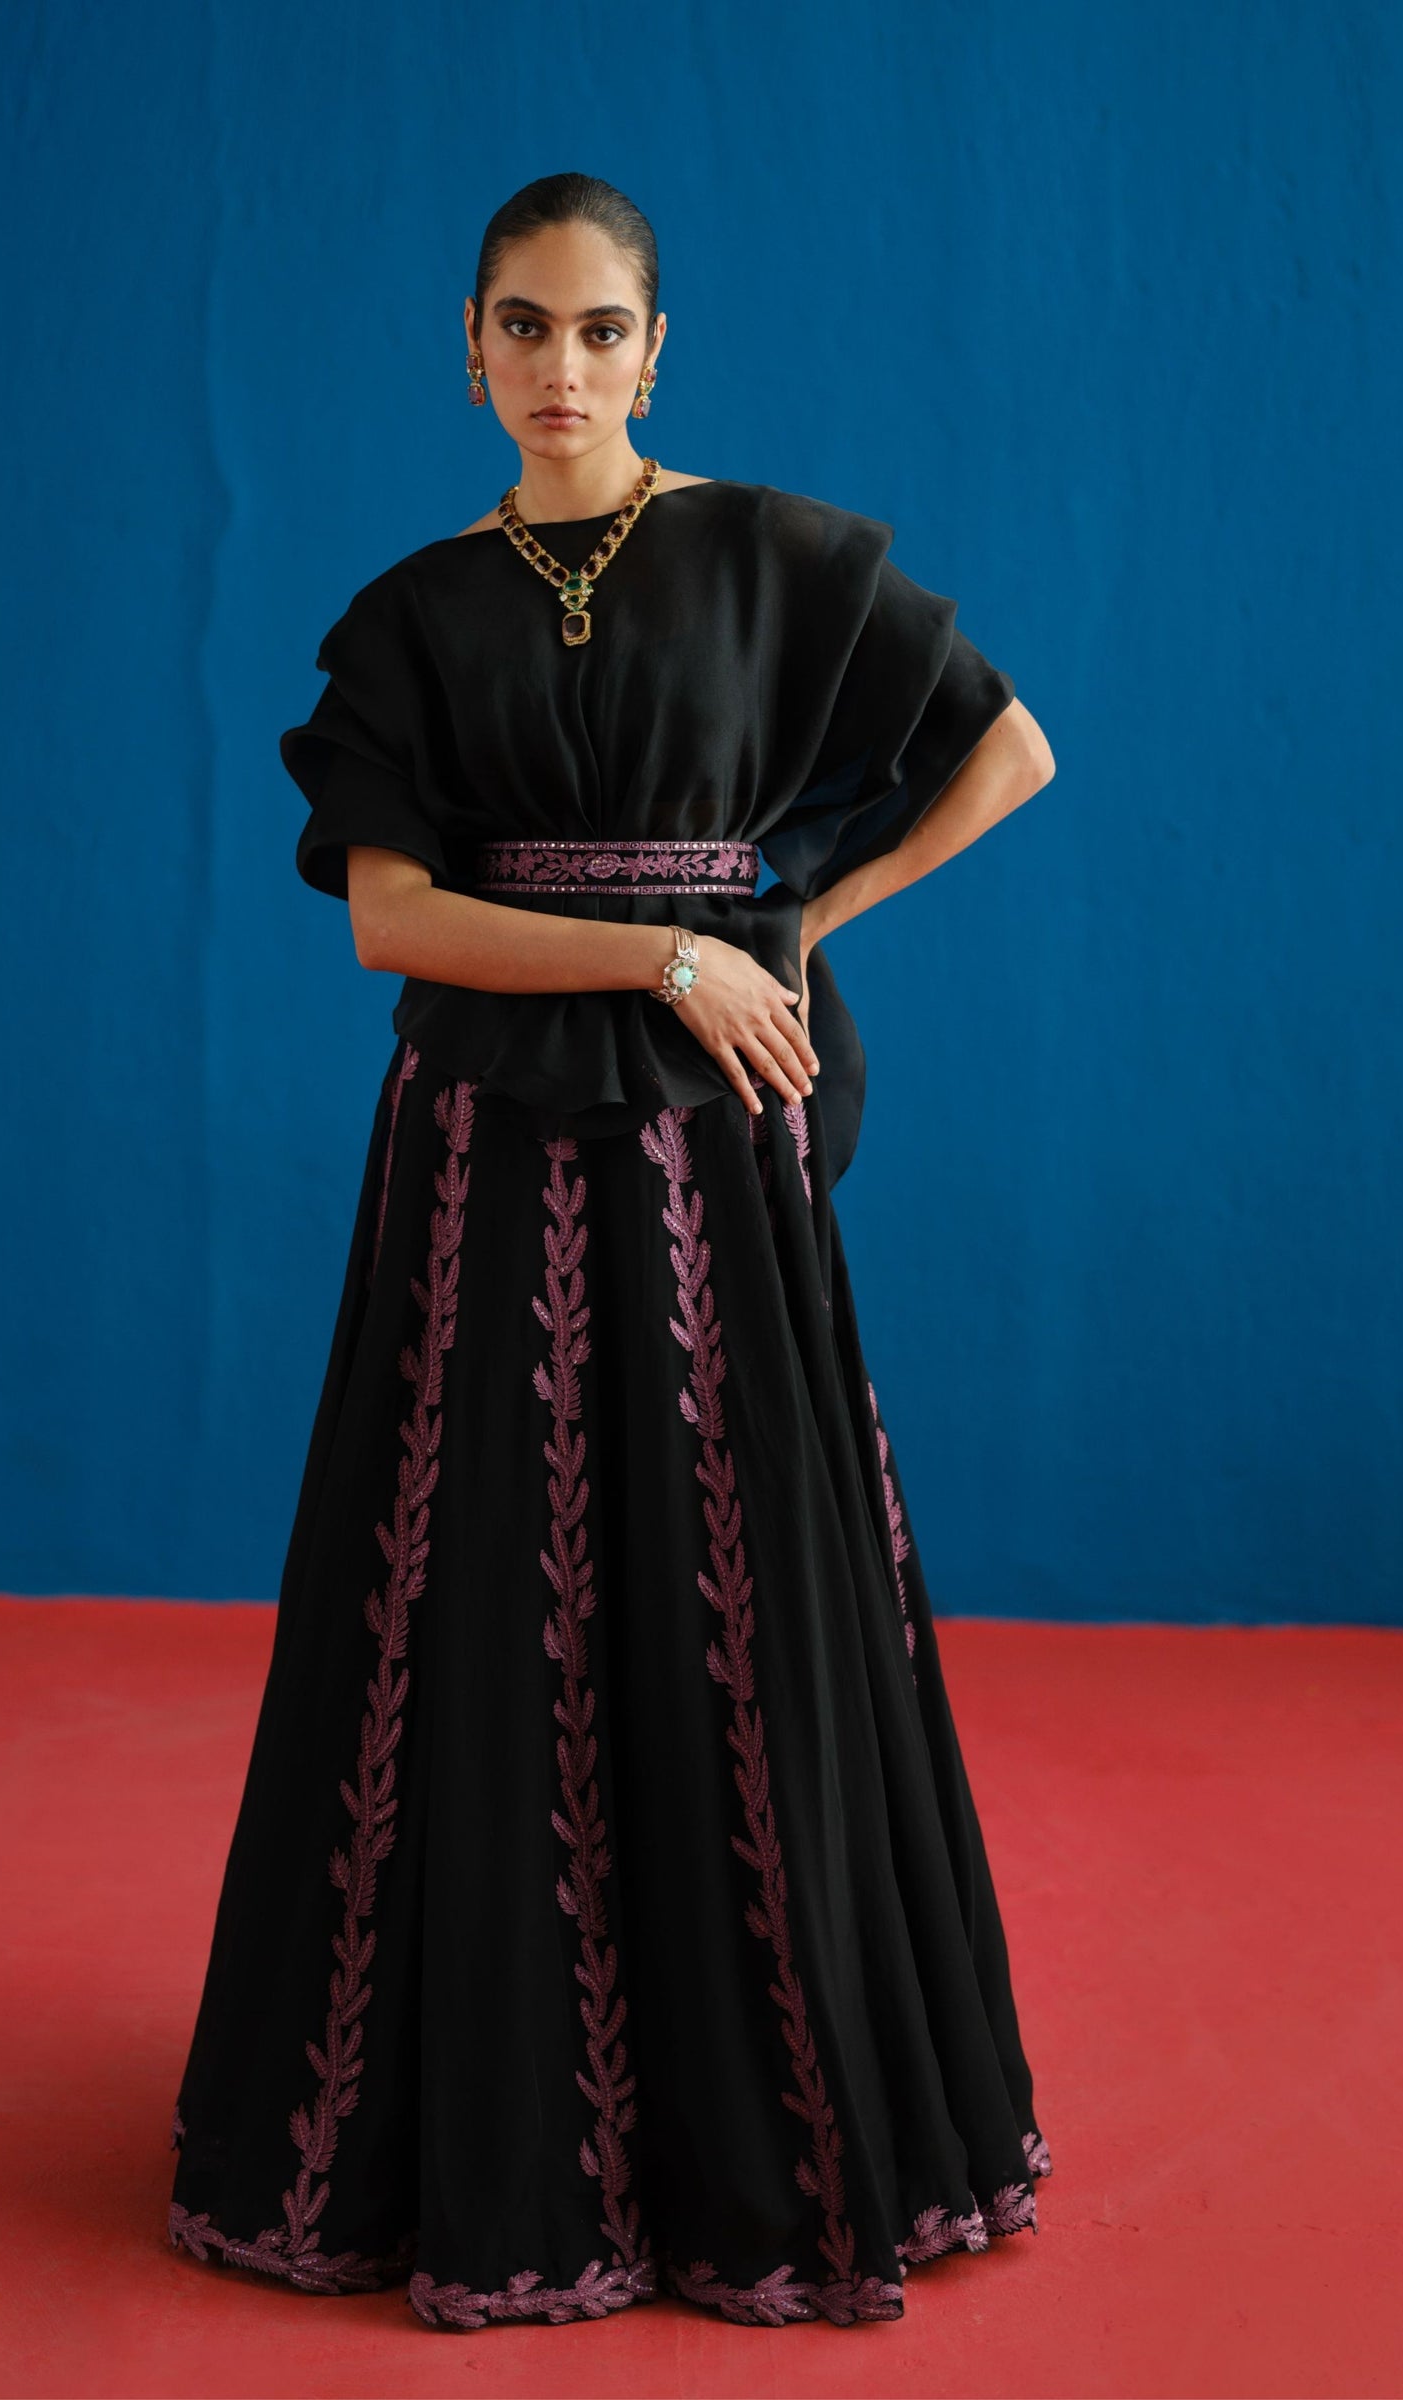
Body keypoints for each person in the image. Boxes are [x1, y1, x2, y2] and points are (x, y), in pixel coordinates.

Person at [167, 170, 1058, 2335]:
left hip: (707, 1154)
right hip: (485, 1147)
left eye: (597, 330)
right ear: (465, 347)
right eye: (520, 326)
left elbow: (1007, 749)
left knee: (729, 1595)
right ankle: (490, 2131)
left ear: (657, 349)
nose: (558, 367)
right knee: (474, 1592)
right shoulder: (410, 617)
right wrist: (670, 949)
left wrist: (797, 928)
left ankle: (756, 2132)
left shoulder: (770, 556)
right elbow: (392, 921)